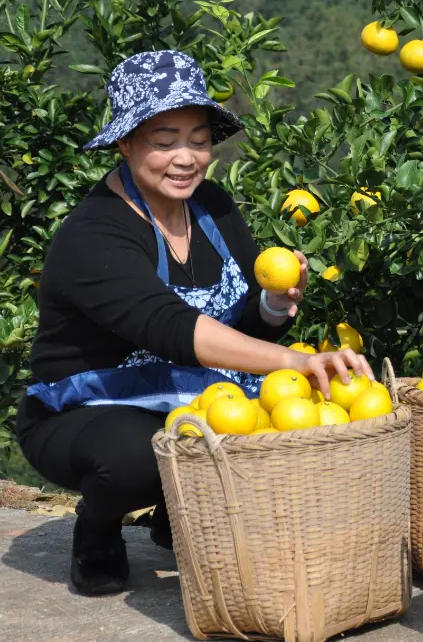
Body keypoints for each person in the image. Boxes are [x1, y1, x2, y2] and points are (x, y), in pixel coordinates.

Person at [15, 50, 373, 596]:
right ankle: (99, 526)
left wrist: (275, 305)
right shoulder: (94, 235)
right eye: (164, 141)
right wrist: (298, 359)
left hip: (203, 397)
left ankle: (175, 513)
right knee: (135, 457)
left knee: (285, 419)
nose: (186, 158)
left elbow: (244, 331)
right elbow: (173, 329)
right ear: (126, 142)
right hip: (90, 411)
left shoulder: (213, 207)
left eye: (199, 139)